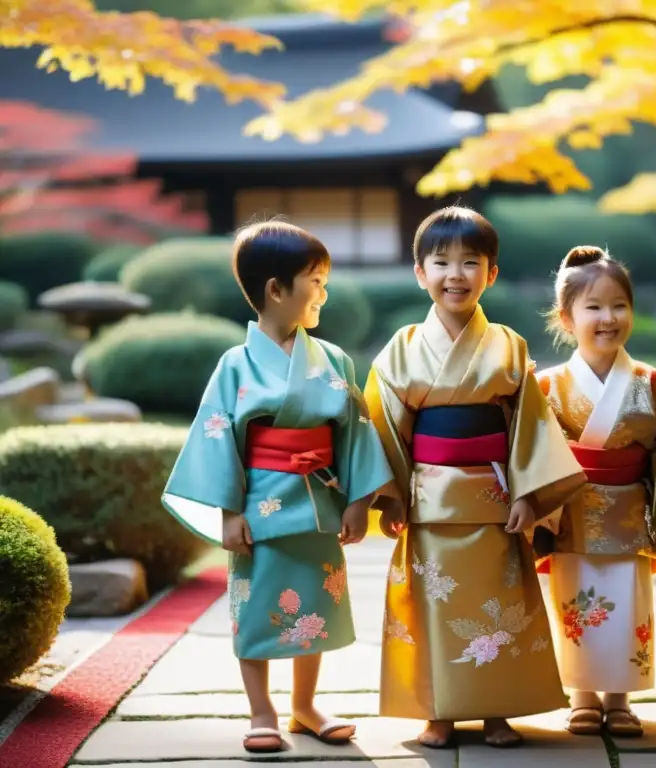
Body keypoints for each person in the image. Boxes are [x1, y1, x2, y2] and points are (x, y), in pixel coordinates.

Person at [161, 221, 394, 754]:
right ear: (276, 289)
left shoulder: (333, 360)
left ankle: (305, 706)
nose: (325, 292)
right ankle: (262, 709)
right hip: (260, 507)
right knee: (258, 605)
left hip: (319, 504)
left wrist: (360, 502)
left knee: (314, 606)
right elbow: (216, 438)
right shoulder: (234, 365)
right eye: (316, 280)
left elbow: (356, 433)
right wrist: (226, 512)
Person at [363, 206, 587, 748]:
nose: (455, 274)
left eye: (471, 262)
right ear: (420, 272)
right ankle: (436, 713)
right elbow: (384, 425)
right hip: (429, 497)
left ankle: (496, 711)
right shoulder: (402, 347)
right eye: (441, 262)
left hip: (495, 497)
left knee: (498, 604)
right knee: (433, 606)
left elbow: (529, 428)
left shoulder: (508, 345)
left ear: (492, 273)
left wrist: (532, 498)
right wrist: (390, 497)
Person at [533, 245, 656, 738]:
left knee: (628, 606)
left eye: (619, 305)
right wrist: (540, 511)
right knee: (575, 605)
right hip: (570, 512)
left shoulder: (650, 381)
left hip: (631, 512)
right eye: (593, 307)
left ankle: (620, 699)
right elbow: (535, 454)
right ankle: (582, 696)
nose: (608, 317)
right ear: (567, 318)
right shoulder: (546, 385)